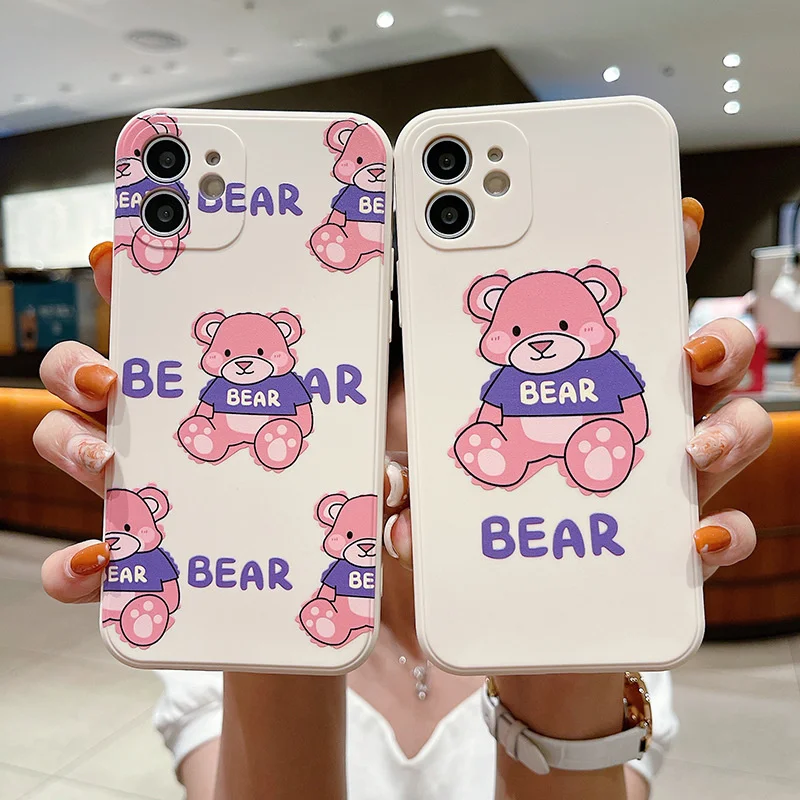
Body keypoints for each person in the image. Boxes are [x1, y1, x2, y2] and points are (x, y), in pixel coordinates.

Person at [34, 199, 772, 800]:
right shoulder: (218, 624)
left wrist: (560, 661)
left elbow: (622, 408)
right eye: (396, 464)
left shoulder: (610, 626)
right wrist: (271, 581)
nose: (409, 491)